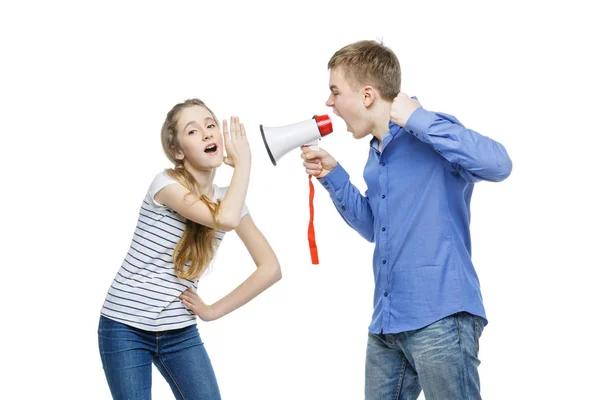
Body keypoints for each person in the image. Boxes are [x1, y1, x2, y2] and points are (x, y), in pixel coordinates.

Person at [301, 40, 512, 399]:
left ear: (367, 95)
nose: (329, 102)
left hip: (441, 318)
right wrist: (333, 176)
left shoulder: (431, 133)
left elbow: (499, 164)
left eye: (335, 91)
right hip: (387, 324)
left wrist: (417, 117)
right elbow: (373, 228)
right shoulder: (375, 154)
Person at [98, 98, 281, 399]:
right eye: (193, 131)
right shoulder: (165, 184)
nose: (208, 134)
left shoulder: (230, 202)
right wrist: (244, 164)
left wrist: (211, 311)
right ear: (178, 151)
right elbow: (225, 219)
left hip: (179, 330)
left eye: (211, 125)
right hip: (124, 325)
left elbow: (270, 268)